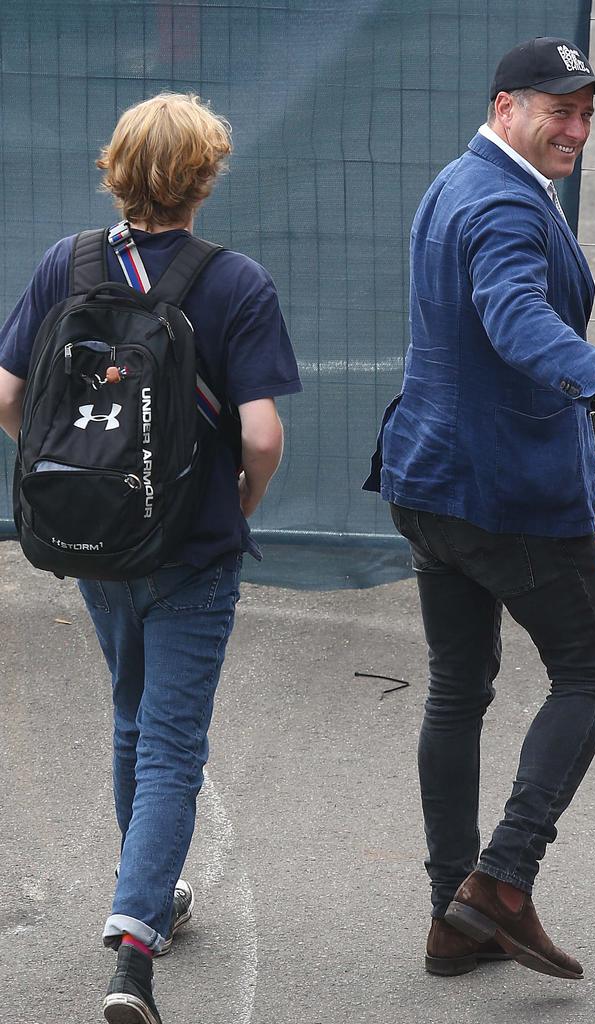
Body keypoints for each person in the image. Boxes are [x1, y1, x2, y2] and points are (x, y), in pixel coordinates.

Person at [364, 37, 595, 980]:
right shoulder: (497, 198)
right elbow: (513, 313)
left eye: (584, 112)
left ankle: (453, 919)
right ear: (505, 109)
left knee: (459, 686)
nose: (574, 127)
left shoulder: (462, 178)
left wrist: (578, 408)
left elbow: (485, 340)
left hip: (430, 480)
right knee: (589, 673)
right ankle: (500, 881)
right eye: (556, 109)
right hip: (505, 497)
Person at [0, 93, 301, 1023]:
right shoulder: (233, 281)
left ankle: (154, 896)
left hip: (96, 541)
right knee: (172, 742)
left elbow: (9, 397)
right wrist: (242, 502)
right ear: (204, 178)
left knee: (133, 715)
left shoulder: (68, 263)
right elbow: (259, 435)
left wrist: (71, 474)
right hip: (193, 547)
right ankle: (134, 944)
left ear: (116, 170)